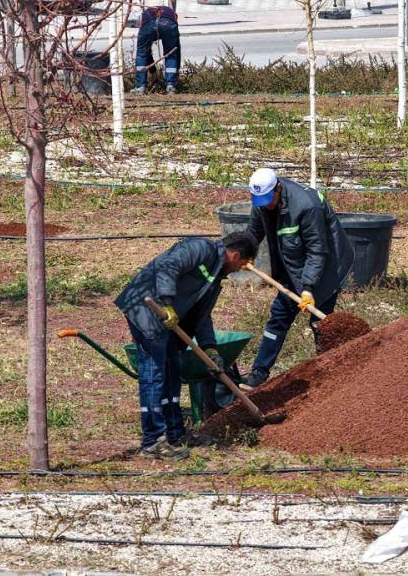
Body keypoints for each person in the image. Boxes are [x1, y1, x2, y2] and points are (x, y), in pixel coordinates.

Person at [114, 231, 257, 459]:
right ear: (236, 255)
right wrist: (168, 303)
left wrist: (210, 347)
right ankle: (152, 441)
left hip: (168, 320)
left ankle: (176, 434)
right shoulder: (199, 248)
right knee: (154, 374)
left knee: (172, 372)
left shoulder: (215, 276)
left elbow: (202, 315)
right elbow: (168, 267)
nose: (241, 268)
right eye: (243, 263)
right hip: (148, 309)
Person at [242, 168, 356, 389]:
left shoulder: (306, 205)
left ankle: (330, 375)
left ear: (278, 188)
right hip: (291, 262)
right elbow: (254, 232)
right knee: (279, 316)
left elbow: (317, 250)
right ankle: (258, 374)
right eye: (261, 201)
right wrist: (244, 252)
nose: (266, 205)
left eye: (268, 200)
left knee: (320, 324)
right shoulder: (262, 201)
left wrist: (308, 288)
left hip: (326, 265)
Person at [133, 5, 181, 95]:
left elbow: (146, 53)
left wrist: (153, 71)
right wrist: (176, 72)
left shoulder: (145, 14)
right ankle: (171, 86)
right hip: (168, 25)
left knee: (142, 53)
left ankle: (140, 87)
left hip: (148, 24)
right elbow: (177, 50)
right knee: (171, 54)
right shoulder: (171, 16)